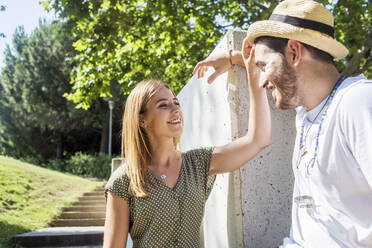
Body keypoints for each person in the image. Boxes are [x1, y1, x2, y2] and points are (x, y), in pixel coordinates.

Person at [194, 0, 372, 247]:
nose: (261, 80)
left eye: (263, 66)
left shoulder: (358, 102)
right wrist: (233, 57)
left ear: (294, 53)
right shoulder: (307, 113)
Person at [103, 43, 271, 247]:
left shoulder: (198, 163)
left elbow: (258, 139)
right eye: (163, 105)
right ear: (142, 121)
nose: (175, 109)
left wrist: (233, 58)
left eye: (176, 102)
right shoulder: (122, 182)